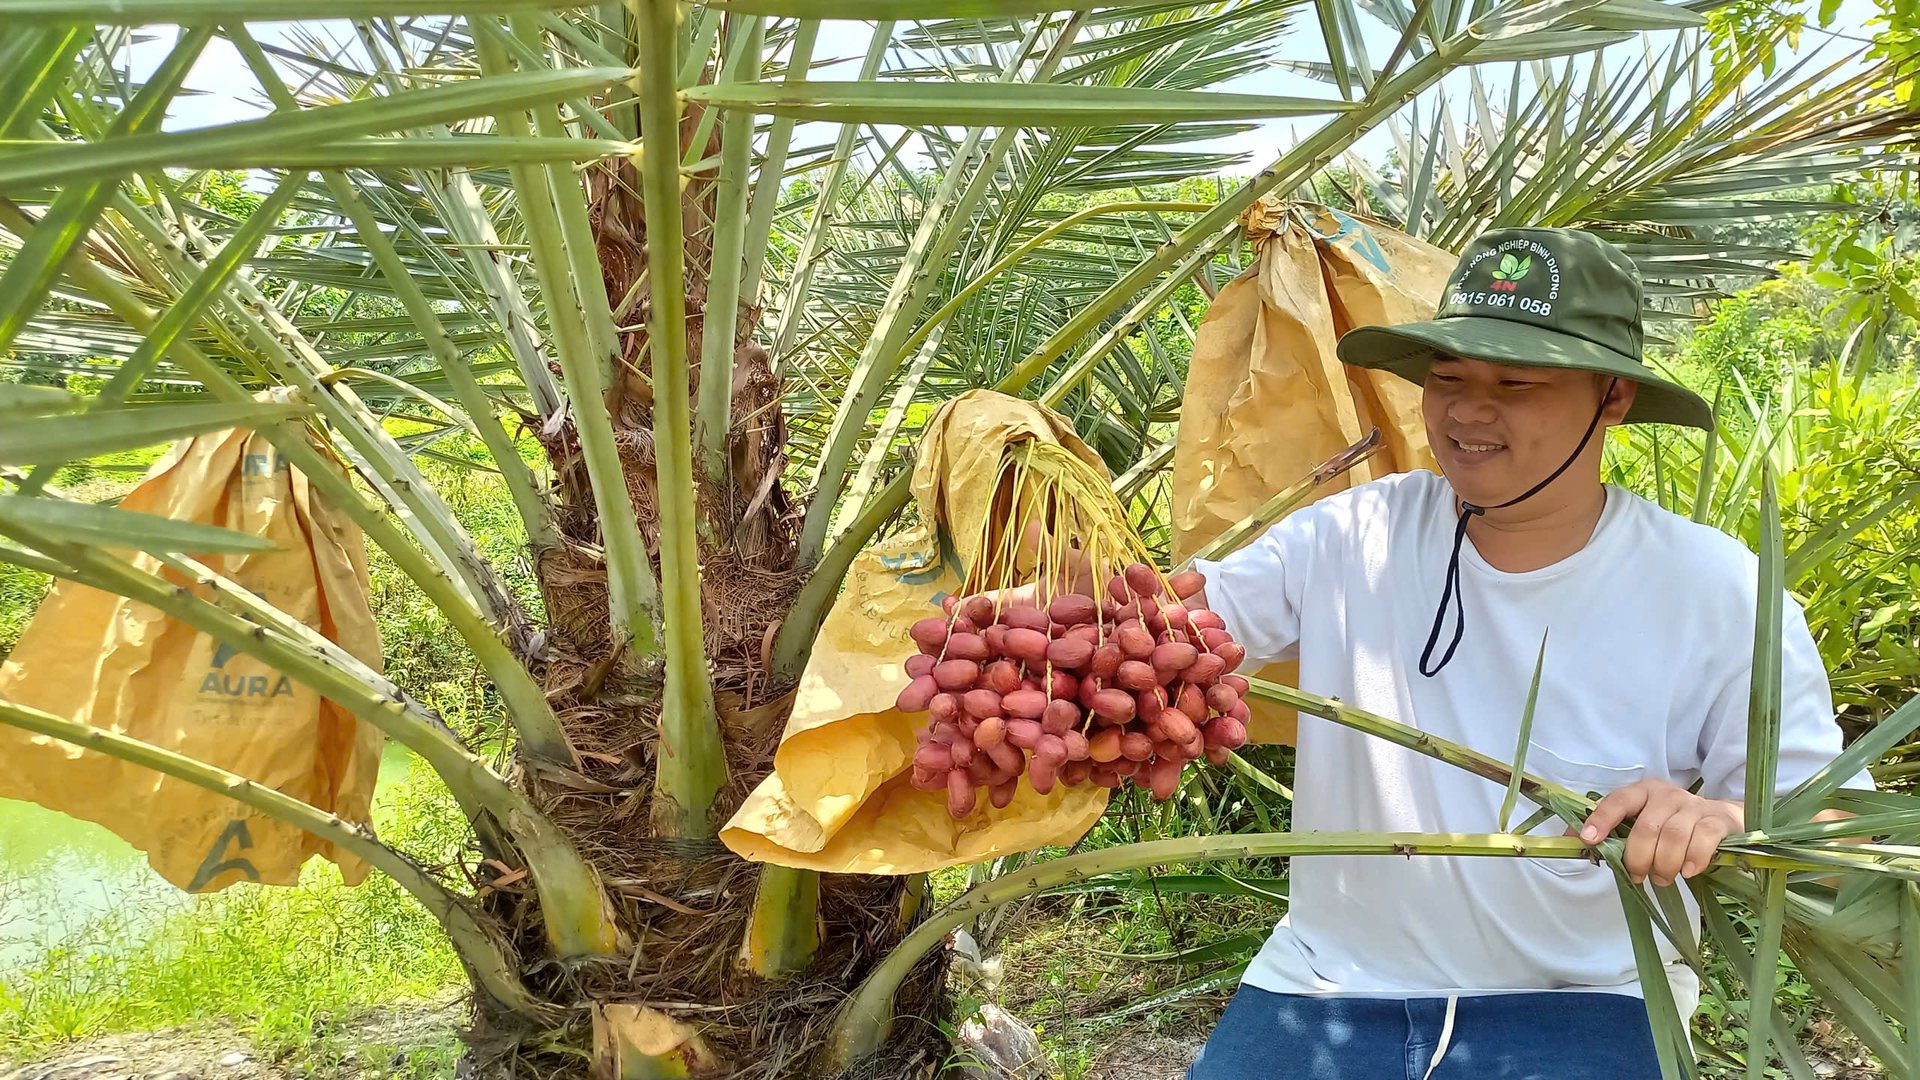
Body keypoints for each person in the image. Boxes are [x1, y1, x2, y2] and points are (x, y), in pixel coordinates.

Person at [1177, 227, 1863, 1079]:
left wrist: (1721, 817)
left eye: (1517, 382)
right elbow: (1177, 629)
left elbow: (1833, 826)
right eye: (1449, 377)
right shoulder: (1358, 532)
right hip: (1324, 986)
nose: (1467, 411)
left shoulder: (1719, 593)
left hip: (1590, 1001)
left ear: (1612, 398)